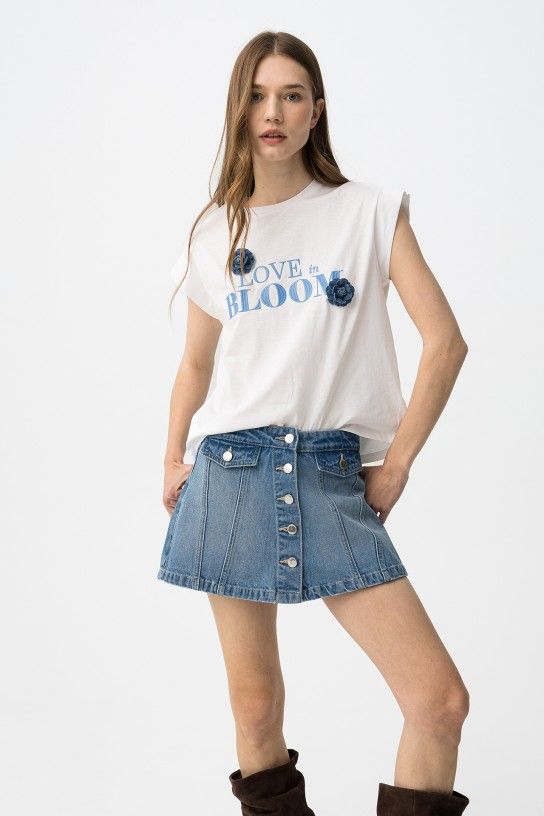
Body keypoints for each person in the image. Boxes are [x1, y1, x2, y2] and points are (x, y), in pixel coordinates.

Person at [158, 30, 471, 816]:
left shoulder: (367, 212)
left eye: (291, 95)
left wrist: (396, 464)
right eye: (258, 96)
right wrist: (170, 456)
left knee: (438, 702)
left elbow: (445, 342)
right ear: (239, 110)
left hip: (331, 472)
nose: (274, 112)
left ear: (315, 112)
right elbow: (195, 364)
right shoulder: (214, 232)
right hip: (230, 475)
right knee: (255, 709)